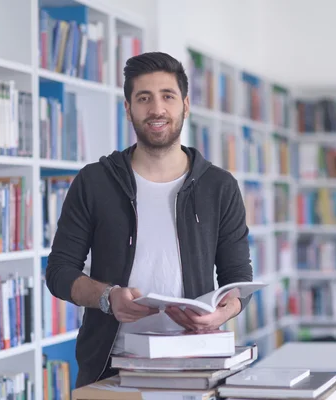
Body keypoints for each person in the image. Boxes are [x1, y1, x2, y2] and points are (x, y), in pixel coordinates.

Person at [45, 51, 253, 388]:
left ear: (185, 105)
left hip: (195, 365)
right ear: (128, 110)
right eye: (144, 98)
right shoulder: (94, 181)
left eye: (167, 96)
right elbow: (59, 271)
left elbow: (238, 279)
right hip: (109, 369)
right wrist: (107, 297)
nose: (157, 109)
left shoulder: (220, 186)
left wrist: (223, 313)